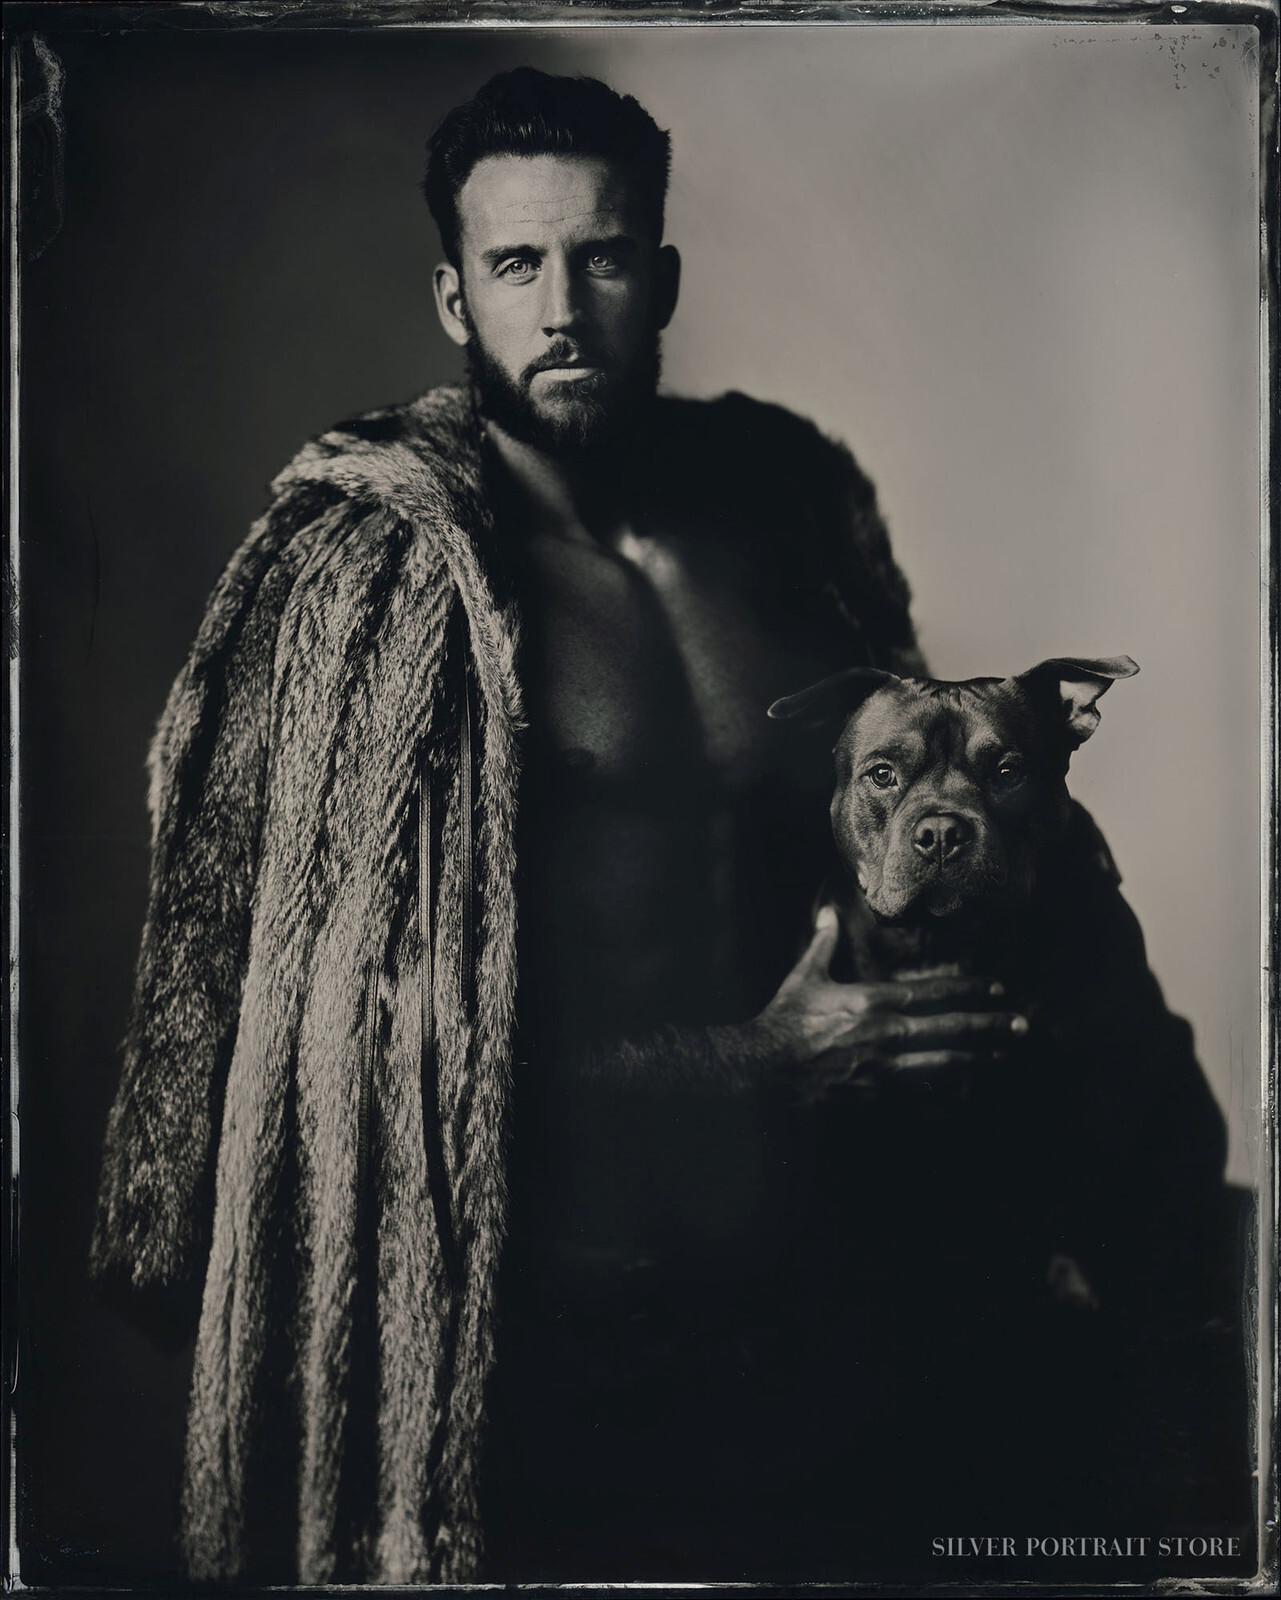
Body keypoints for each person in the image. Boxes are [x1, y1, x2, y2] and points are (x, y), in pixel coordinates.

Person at [91, 68, 1236, 1587]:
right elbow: (293, 1021)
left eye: (603, 256)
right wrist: (757, 1059)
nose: (562, 305)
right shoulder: (360, 586)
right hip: (550, 1316)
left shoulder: (787, 508)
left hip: (846, 1297)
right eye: (515, 265)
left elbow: (937, 832)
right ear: (453, 296)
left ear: (663, 273)